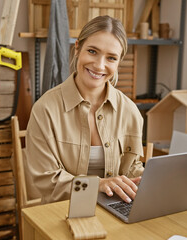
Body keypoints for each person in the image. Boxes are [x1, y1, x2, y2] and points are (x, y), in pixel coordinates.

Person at [25, 15, 144, 204]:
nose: (99, 65)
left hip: (116, 211)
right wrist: (98, 185)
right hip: (62, 211)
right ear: (77, 48)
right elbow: (45, 180)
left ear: (118, 62)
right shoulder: (45, 109)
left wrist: (147, 181)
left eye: (111, 58)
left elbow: (131, 170)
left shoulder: (130, 111)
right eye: (92, 51)